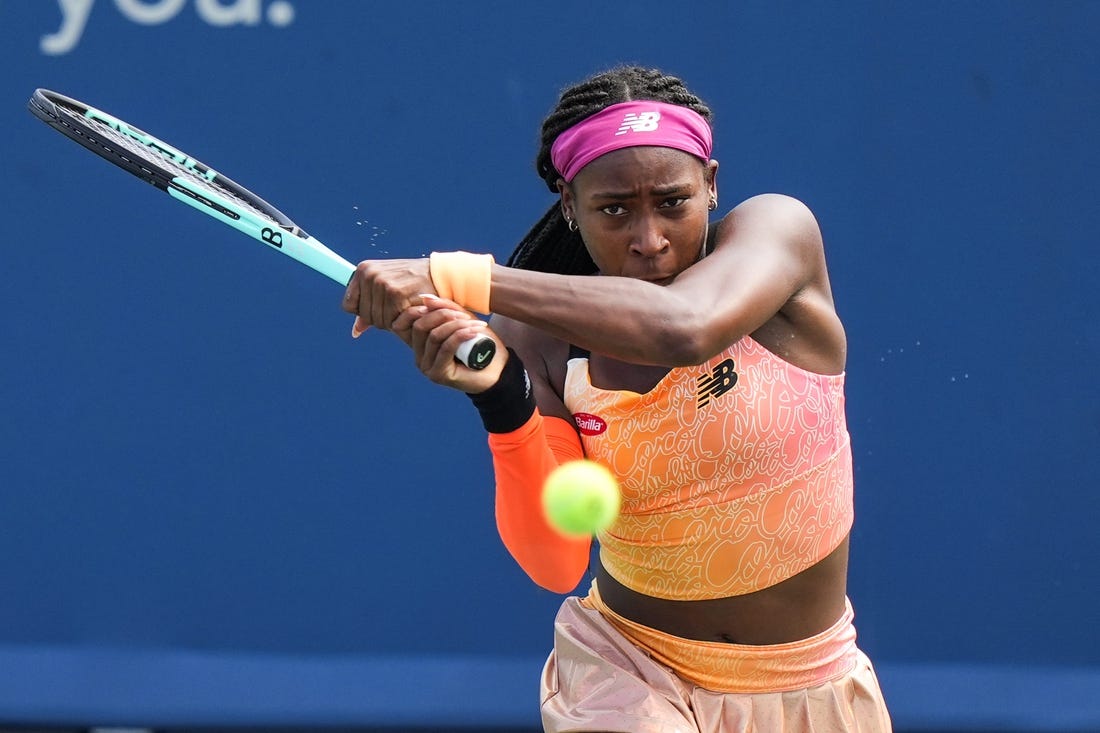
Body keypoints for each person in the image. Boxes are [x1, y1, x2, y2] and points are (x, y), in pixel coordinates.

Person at [343, 65, 892, 732]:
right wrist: (500, 395)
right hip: (626, 675)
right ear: (570, 207)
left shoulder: (778, 236)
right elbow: (555, 560)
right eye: (613, 210)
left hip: (812, 687)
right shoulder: (537, 341)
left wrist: (456, 276)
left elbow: (683, 326)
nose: (650, 238)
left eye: (672, 201)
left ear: (711, 184)